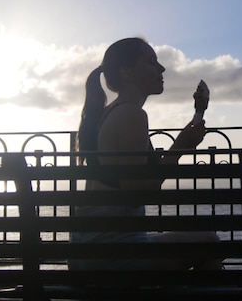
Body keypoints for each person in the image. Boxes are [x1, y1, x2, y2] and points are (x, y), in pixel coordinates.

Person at [69, 37, 221, 271]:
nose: (161, 68)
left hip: (90, 252)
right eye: (151, 62)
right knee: (209, 242)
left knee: (198, 237)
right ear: (127, 72)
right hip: (113, 257)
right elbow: (135, 193)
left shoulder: (109, 112)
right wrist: (180, 148)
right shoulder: (132, 115)